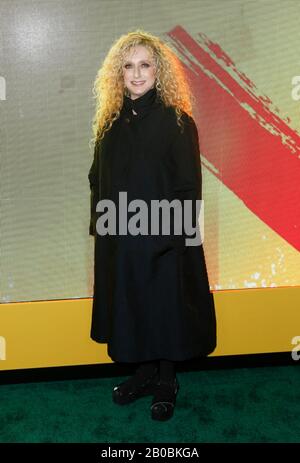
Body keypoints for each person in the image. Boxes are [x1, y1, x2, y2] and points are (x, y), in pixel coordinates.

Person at [88, 29, 217, 421]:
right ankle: (143, 374)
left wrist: (168, 239)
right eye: (128, 66)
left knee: (164, 312)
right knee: (132, 312)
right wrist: (105, 230)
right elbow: (96, 178)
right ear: (119, 74)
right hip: (120, 242)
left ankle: (166, 380)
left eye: (145, 65)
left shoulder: (178, 122)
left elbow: (187, 187)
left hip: (164, 241)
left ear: (159, 70)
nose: (137, 74)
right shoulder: (109, 125)